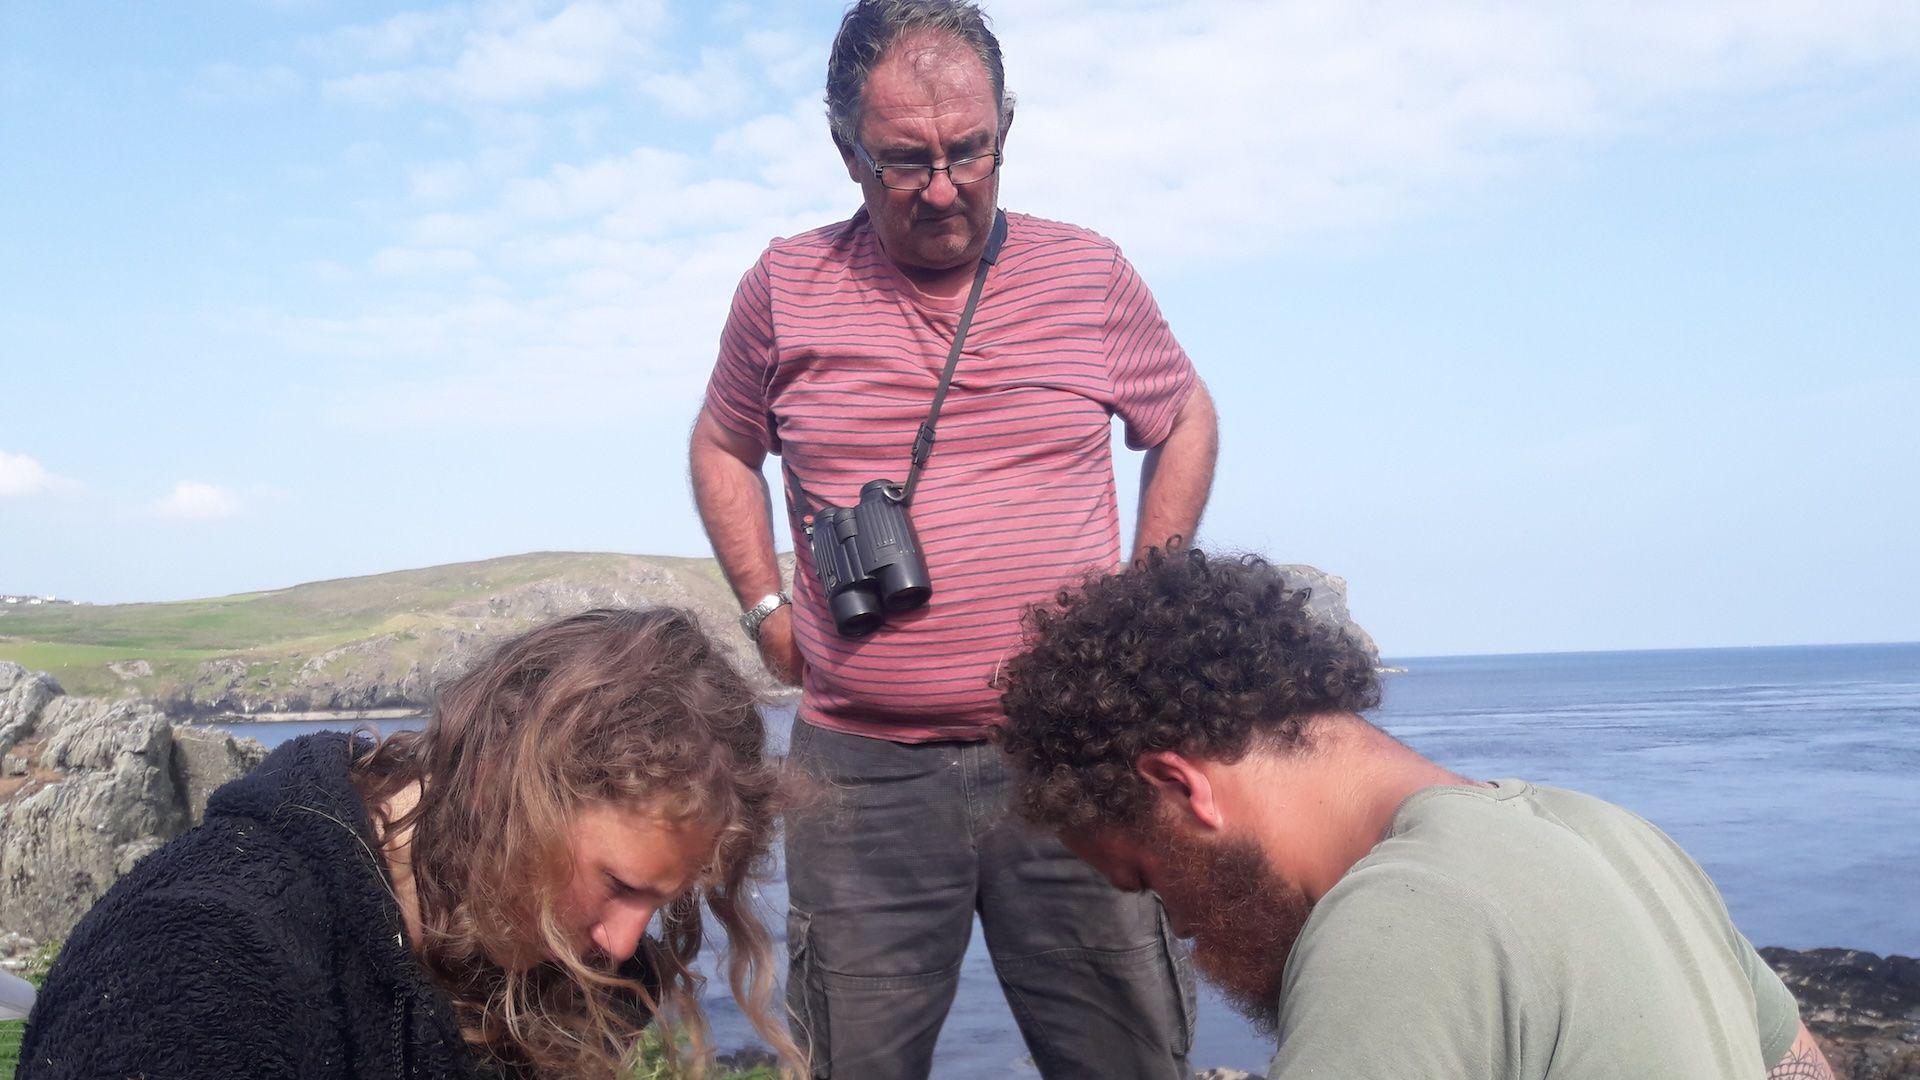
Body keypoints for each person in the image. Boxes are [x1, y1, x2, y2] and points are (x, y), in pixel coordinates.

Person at [687, 1, 1218, 1074]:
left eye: (968, 150)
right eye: (904, 161)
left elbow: (1185, 419)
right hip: (861, 778)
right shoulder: (785, 287)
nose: (944, 185)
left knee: (1127, 1061)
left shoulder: (1088, 273)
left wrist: (1146, 604)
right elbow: (720, 446)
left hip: (1071, 761)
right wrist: (765, 612)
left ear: (1004, 134)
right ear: (847, 153)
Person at [996, 546, 1840, 1080]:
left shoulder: (1402, 919)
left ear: (1180, 786)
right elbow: (1798, 1068)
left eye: (1145, 876)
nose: (1177, 924)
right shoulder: (1614, 834)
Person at [18, 608, 802, 1080]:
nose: (624, 941)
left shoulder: (524, 960)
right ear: (504, 787)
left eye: (660, 902)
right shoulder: (198, 964)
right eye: (619, 885)